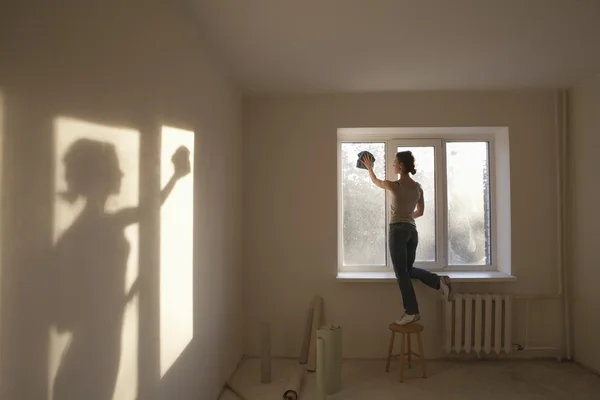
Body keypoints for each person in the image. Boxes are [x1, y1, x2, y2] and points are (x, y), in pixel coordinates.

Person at [50, 139, 190, 400]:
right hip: (88, 359)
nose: (122, 174)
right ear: (97, 177)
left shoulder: (107, 222)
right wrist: (120, 298)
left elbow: (150, 209)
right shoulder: (77, 236)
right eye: (115, 168)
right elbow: (64, 319)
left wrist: (176, 175)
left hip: (105, 348)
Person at [361, 151, 453, 325]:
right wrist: (407, 216)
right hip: (412, 231)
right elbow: (420, 212)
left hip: (398, 231)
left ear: (401, 165)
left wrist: (369, 168)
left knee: (401, 272)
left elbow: (375, 181)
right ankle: (439, 282)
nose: (394, 165)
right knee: (408, 270)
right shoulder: (418, 188)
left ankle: (411, 311)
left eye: (395, 162)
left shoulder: (394, 185)